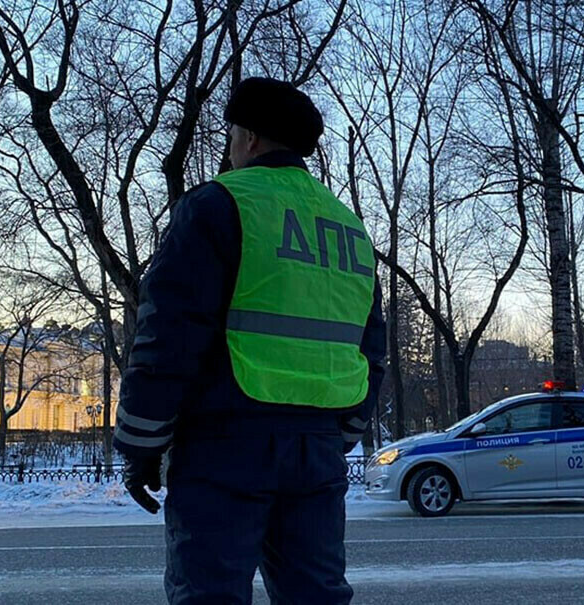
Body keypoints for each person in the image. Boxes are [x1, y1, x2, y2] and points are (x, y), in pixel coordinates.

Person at [113, 77, 386, 605]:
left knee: (210, 595)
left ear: (253, 139)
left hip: (226, 443)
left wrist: (142, 445)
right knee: (317, 595)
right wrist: (345, 431)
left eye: (234, 135)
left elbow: (169, 336)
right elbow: (368, 347)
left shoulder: (217, 206)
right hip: (317, 449)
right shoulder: (348, 228)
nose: (232, 147)